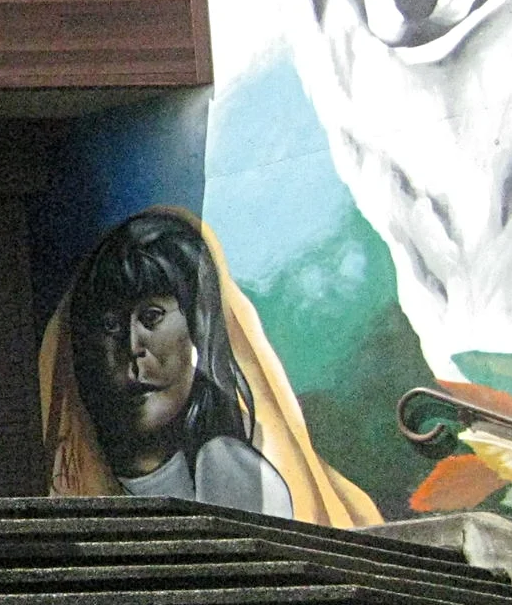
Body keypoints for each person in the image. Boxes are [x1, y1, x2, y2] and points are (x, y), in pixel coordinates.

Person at [39, 207, 379, 525]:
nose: (133, 348)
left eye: (152, 317)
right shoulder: (70, 475)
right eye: (111, 325)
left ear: (198, 330)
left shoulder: (229, 469)